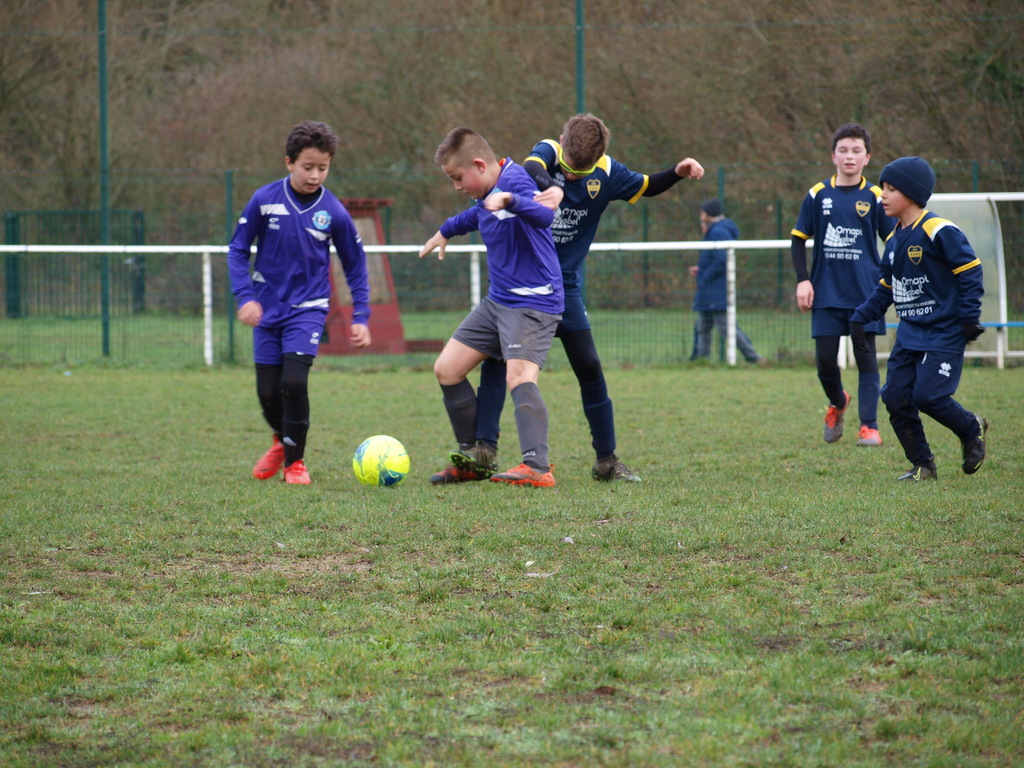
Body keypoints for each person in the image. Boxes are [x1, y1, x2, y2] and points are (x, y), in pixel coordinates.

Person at [431, 113, 704, 485]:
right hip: (516, 286)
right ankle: (482, 452)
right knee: (494, 363)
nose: (572, 177)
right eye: (568, 170)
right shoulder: (544, 156)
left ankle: (606, 460)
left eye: (581, 172)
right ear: (560, 144)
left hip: (557, 287)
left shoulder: (607, 173)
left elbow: (647, 185)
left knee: (587, 367)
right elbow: (529, 170)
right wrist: (550, 189)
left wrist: (677, 172)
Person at [227, 120, 372, 485]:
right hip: (266, 310)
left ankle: (295, 463)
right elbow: (238, 249)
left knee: (293, 383)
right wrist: (245, 297)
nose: (315, 175)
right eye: (308, 167)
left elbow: (355, 264)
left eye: (323, 168)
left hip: (308, 309)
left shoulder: (333, 211)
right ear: (289, 162)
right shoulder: (264, 200)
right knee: (267, 392)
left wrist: (361, 315)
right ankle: (282, 440)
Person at [419, 127, 563, 488]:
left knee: (519, 376)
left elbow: (544, 216)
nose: (456, 186)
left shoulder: (516, 181)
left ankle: (537, 466)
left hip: (533, 301)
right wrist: (445, 231)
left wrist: (512, 201)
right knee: (447, 369)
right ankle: (475, 458)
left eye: (457, 177)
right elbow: (475, 216)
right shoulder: (487, 195)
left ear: (479, 165)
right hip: (498, 302)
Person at [850, 156, 987, 481]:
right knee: (894, 397)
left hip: (944, 331)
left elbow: (970, 271)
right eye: (882, 188)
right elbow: (887, 288)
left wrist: (969, 317)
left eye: (891, 189)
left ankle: (971, 428)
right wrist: (860, 317)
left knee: (928, 396)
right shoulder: (894, 239)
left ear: (912, 193)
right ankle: (923, 465)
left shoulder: (938, 229)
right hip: (911, 333)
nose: (882, 195)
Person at [791, 123, 895, 447]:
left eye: (856, 151)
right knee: (825, 361)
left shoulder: (876, 197)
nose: (850, 156)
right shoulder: (817, 194)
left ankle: (869, 427)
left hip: (865, 295)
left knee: (866, 360)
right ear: (833, 156)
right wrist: (803, 280)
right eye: (843, 150)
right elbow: (798, 239)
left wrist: (888, 281)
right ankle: (838, 402)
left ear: (867, 157)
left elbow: (894, 241)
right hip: (825, 292)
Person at [689, 198, 762, 363]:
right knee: (703, 325)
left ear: (709, 214)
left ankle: (753, 357)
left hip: (715, 289)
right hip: (710, 288)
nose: (700, 217)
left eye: (702, 213)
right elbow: (715, 258)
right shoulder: (716, 230)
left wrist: (705, 276)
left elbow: (722, 260)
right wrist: (701, 270)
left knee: (726, 327)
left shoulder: (718, 232)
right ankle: (700, 359)